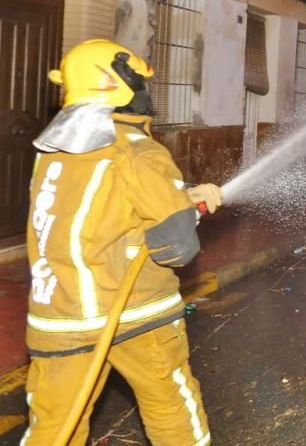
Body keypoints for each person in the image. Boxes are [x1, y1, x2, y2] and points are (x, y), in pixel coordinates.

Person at [21, 40, 221, 445]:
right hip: (131, 309)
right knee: (169, 405)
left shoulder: (53, 153)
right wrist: (192, 211)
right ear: (122, 86)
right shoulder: (137, 151)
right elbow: (176, 246)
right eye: (144, 84)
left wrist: (183, 193)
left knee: (55, 428)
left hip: (58, 314)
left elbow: (105, 208)